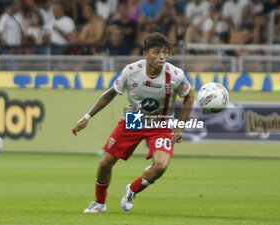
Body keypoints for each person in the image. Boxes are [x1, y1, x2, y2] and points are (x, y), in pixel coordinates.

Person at [72, 32, 194, 213]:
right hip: (134, 119)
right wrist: (87, 117)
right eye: (156, 52)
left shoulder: (175, 75)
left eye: (165, 52)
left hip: (160, 123)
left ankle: (133, 189)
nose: (162, 57)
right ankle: (99, 203)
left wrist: (180, 125)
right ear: (145, 54)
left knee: (161, 165)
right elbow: (111, 94)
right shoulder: (131, 71)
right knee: (106, 162)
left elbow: (189, 97)